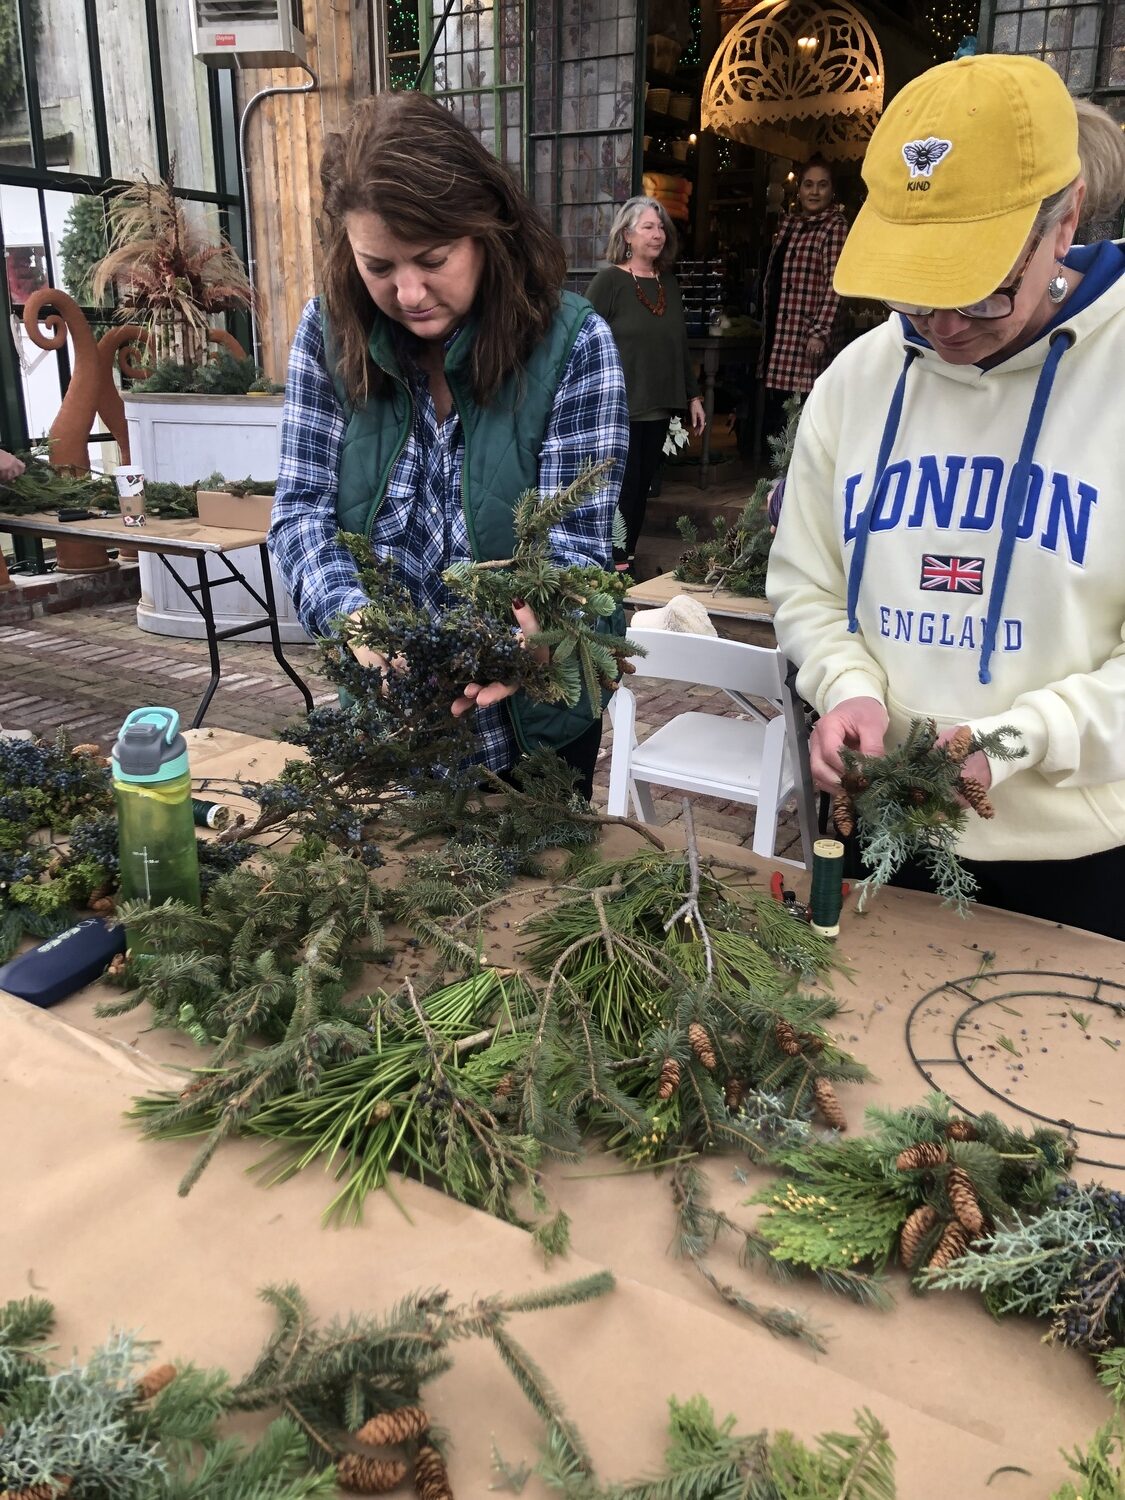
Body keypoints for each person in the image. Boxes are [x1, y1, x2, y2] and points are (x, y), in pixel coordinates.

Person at [766, 55, 1125, 940]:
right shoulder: (856, 381)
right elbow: (807, 584)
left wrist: (1011, 742)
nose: (944, 325)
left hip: (1074, 855)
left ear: (1063, 221)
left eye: (980, 290)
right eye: (914, 292)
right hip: (878, 823)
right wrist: (845, 689)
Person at [268, 92, 629, 799]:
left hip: (529, 731)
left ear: (485, 228)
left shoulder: (574, 345)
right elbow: (300, 511)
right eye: (378, 266)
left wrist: (522, 641)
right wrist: (351, 615)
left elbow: (574, 549)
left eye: (431, 259)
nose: (407, 292)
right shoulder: (328, 335)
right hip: (390, 721)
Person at [585, 198, 705, 571]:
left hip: (656, 404)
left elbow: (679, 344)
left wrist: (693, 395)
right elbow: (583, 337)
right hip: (617, 405)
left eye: (660, 227)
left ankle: (627, 556)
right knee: (620, 486)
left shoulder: (668, 283)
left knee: (641, 487)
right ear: (627, 235)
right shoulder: (610, 282)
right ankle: (612, 561)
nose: (658, 234)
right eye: (649, 227)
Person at [757, 155, 848, 444]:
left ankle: (796, 475)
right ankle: (777, 475)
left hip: (809, 337)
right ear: (800, 190)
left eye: (822, 185)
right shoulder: (791, 225)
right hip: (782, 332)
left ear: (832, 190)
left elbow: (836, 283)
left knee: (805, 408)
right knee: (781, 406)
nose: (814, 192)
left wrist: (820, 332)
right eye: (808, 184)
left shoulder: (834, 227)